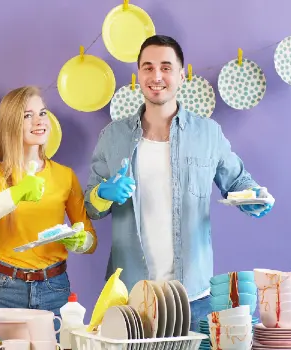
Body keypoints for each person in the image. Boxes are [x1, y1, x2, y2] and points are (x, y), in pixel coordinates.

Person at [83, 35, 274, 331]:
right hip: (130, 296)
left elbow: (238, 182)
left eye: (166, 67)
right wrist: (102, 193)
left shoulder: (208, 134)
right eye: (147, 67)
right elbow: (91, 208)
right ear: (138, 75)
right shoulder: (112, 136)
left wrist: (255, 199)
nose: (156, 76)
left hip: (193, 295)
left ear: (181, 76)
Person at [0, 86, 97, 327]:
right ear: (11, 124)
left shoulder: (65, 176)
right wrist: (17, 193)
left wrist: (81, 240)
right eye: (27, 115)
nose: (39, 121)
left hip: (54, 288)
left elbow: (90, 239)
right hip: (5, 290)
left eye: (42, 113)